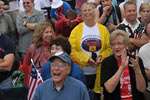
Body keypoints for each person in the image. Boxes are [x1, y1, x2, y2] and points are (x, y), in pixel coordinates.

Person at [69, 2, 112, 100]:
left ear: (95, 12)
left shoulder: (103, 30)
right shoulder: (76, 30)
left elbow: (109, 48)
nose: (87, 12)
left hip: (99, 72)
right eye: (84, 10)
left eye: (89, 10)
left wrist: (102, 56)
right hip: (82, 73)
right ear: (81, 13)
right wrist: (86, 59)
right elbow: (72, 50)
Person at [101, 29, 147, 100]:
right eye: (113, 44)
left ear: (126, 45)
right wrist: (122, 67)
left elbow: (141, 89)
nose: (116, 47)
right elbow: (109, 89)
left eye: (119, 43)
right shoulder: (107, 62)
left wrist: (137, 70)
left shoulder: (135, 61)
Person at [19, 22, 54, 87]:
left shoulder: (55, 46)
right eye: (46, 32)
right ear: (40, 34)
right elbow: (26, 64)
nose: (49, 35)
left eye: (50, 32)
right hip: (37, 80)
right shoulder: (33, 47)